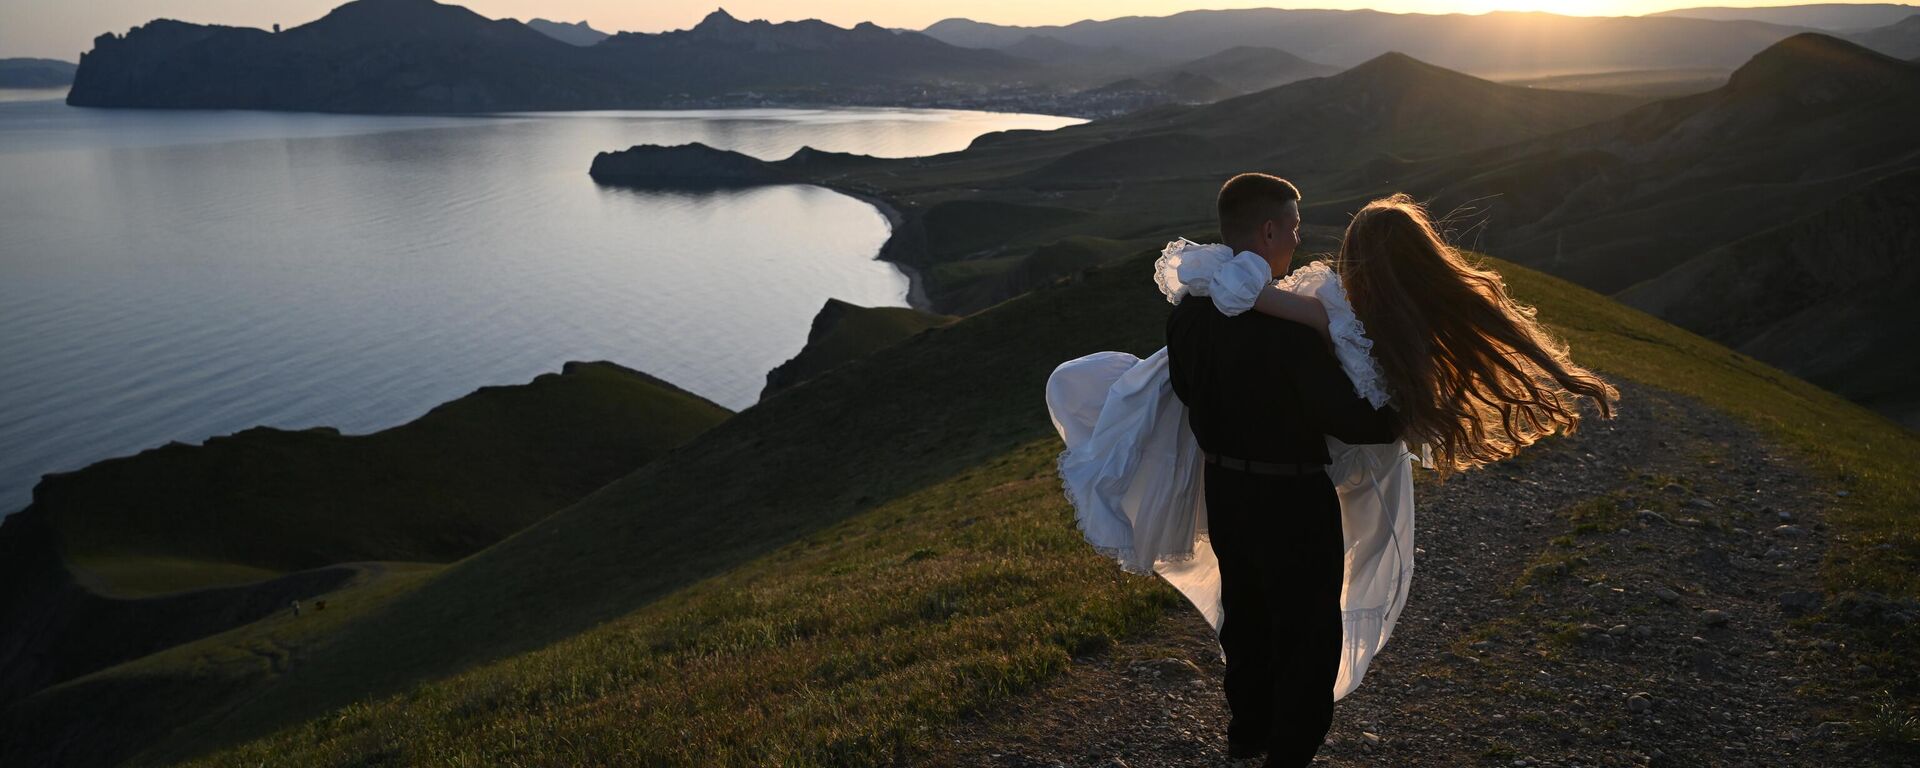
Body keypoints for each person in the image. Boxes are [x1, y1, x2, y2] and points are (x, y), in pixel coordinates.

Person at [1045, 176, 1617, 766]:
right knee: (1308, 636)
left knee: (1246, 620)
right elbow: (1355, 422)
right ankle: (1288, 754)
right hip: (1291, 499)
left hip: (1225, 491)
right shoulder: (1291, 329)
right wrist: (1400, 393)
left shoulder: (1190, 311)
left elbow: (1187, 390)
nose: (1297, 241)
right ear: (1267, 230)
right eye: (1291, 229)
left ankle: (1247, 739)